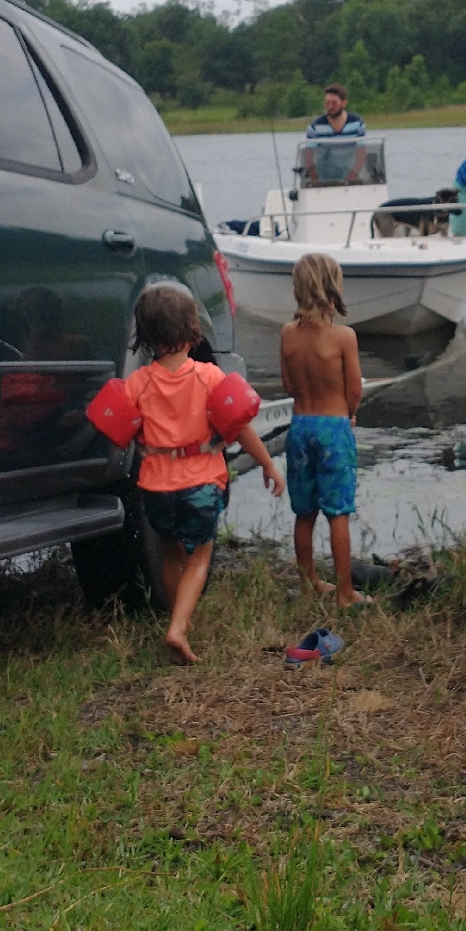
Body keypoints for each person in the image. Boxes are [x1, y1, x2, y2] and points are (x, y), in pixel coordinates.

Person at [126, 285, 284, 664]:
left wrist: (146, 447)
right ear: (191, 328)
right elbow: (241, 428)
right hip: (200, 483)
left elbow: (122, 426)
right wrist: (267, 463)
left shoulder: (137, 383)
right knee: (200, 556)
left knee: (171, 553)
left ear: (145, 335)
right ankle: (178, 628)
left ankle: (178, 616)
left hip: (156, 485)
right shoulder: (210, 377)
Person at [278, 253, 365, 608]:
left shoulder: (287, 334)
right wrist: (350, 414)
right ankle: (345, 593)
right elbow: (354, 389)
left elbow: (288, 386)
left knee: (305, 511)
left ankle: (308, 582)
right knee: (337, 511)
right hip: (333, 427)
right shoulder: (344, 337)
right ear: (333, 287)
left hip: (300, 427)